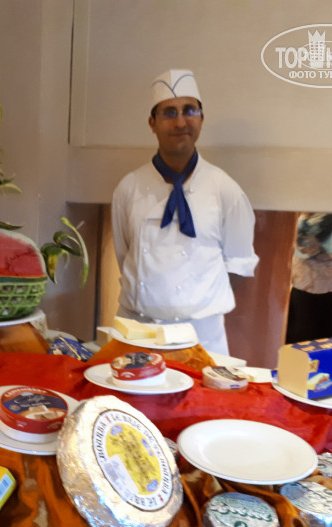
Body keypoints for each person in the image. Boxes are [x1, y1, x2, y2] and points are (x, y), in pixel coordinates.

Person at [111, 69, 259, 355]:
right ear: (152, 123)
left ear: (201, 119)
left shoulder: (226, 190)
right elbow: (124, 254)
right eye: (169, 112)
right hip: (138, 331)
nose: (180, 122)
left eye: (189, 110)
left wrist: (196, 301)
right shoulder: (128, 188)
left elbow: (238, 264)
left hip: (202, 337)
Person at [285, 213, 332, 344]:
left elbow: (304, 249)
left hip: (310, 281)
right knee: (324, 336)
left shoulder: (310, 220)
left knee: (301, 335)